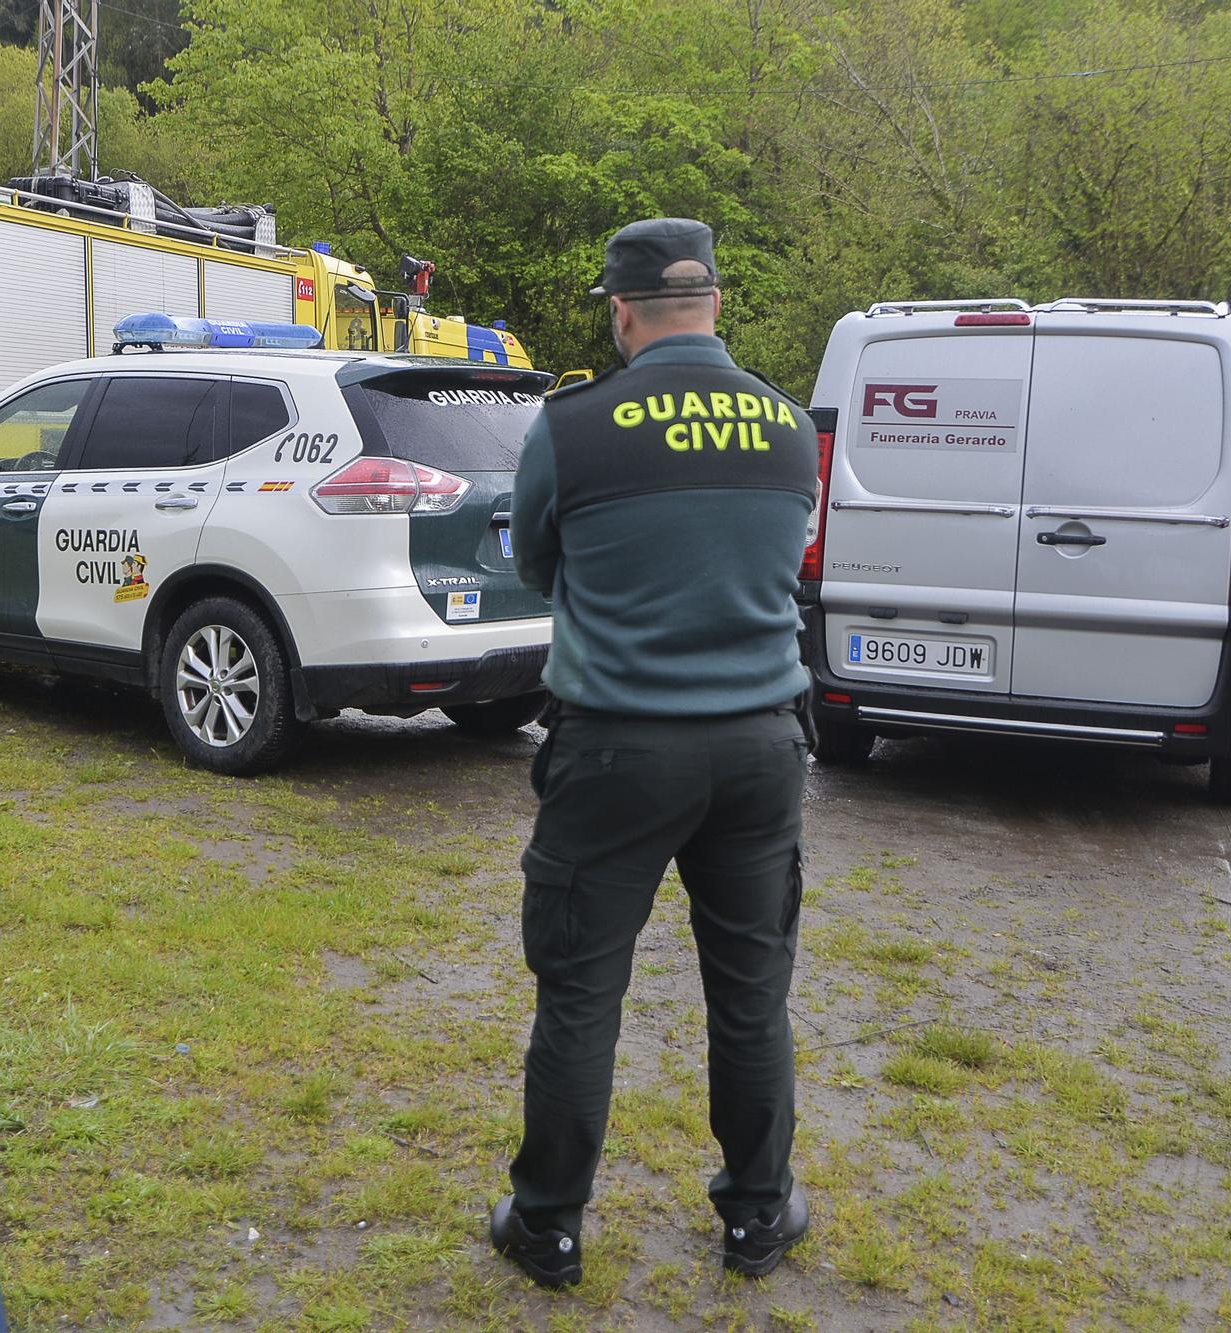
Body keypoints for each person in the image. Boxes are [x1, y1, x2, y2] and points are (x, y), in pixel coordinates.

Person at [489, 219, 819, 1287]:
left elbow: (539, 563)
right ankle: (756, 1217)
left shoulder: (572, 427)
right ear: (714, 303)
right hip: (761, 747)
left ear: (621, 313)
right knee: (751, 990)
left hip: (618, 749)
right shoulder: (786, 427)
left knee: (580, 993)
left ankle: (547, 1226)